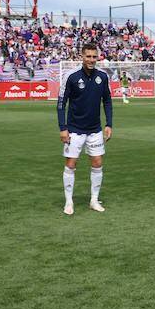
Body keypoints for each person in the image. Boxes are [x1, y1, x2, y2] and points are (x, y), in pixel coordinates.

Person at [57, 44, 113, 215]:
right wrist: (63, 128)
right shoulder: (71, 76)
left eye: (94, 57)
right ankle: (69, 202)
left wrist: (109, 124)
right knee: (71, 164)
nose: (91, 60)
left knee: (97, 163)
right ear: (82, 57)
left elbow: (107, 101)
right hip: (74, 129)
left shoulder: (103, 76)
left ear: (97, 57)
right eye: (88, 56)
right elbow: (61, 104)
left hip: (95, 129)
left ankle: (94, 200)